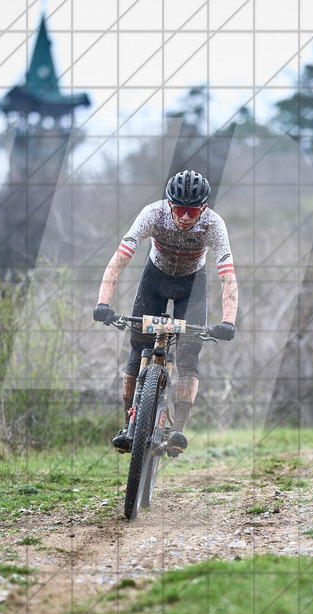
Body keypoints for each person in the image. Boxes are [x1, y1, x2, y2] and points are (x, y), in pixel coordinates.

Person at [93, 170, 238, 456]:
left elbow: (228, 277)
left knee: (188, 356)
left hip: (192, 286)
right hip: (154, 280)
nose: (184, 217)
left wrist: (227, 321)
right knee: (138, 351)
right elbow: (119, 259)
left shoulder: (214, 225)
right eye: (179, 209)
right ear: (170, 205)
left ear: (203, 209)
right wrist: (103, 303)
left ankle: (178, 429)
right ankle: (127, 425)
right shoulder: (153, 214)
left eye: (192, 211)